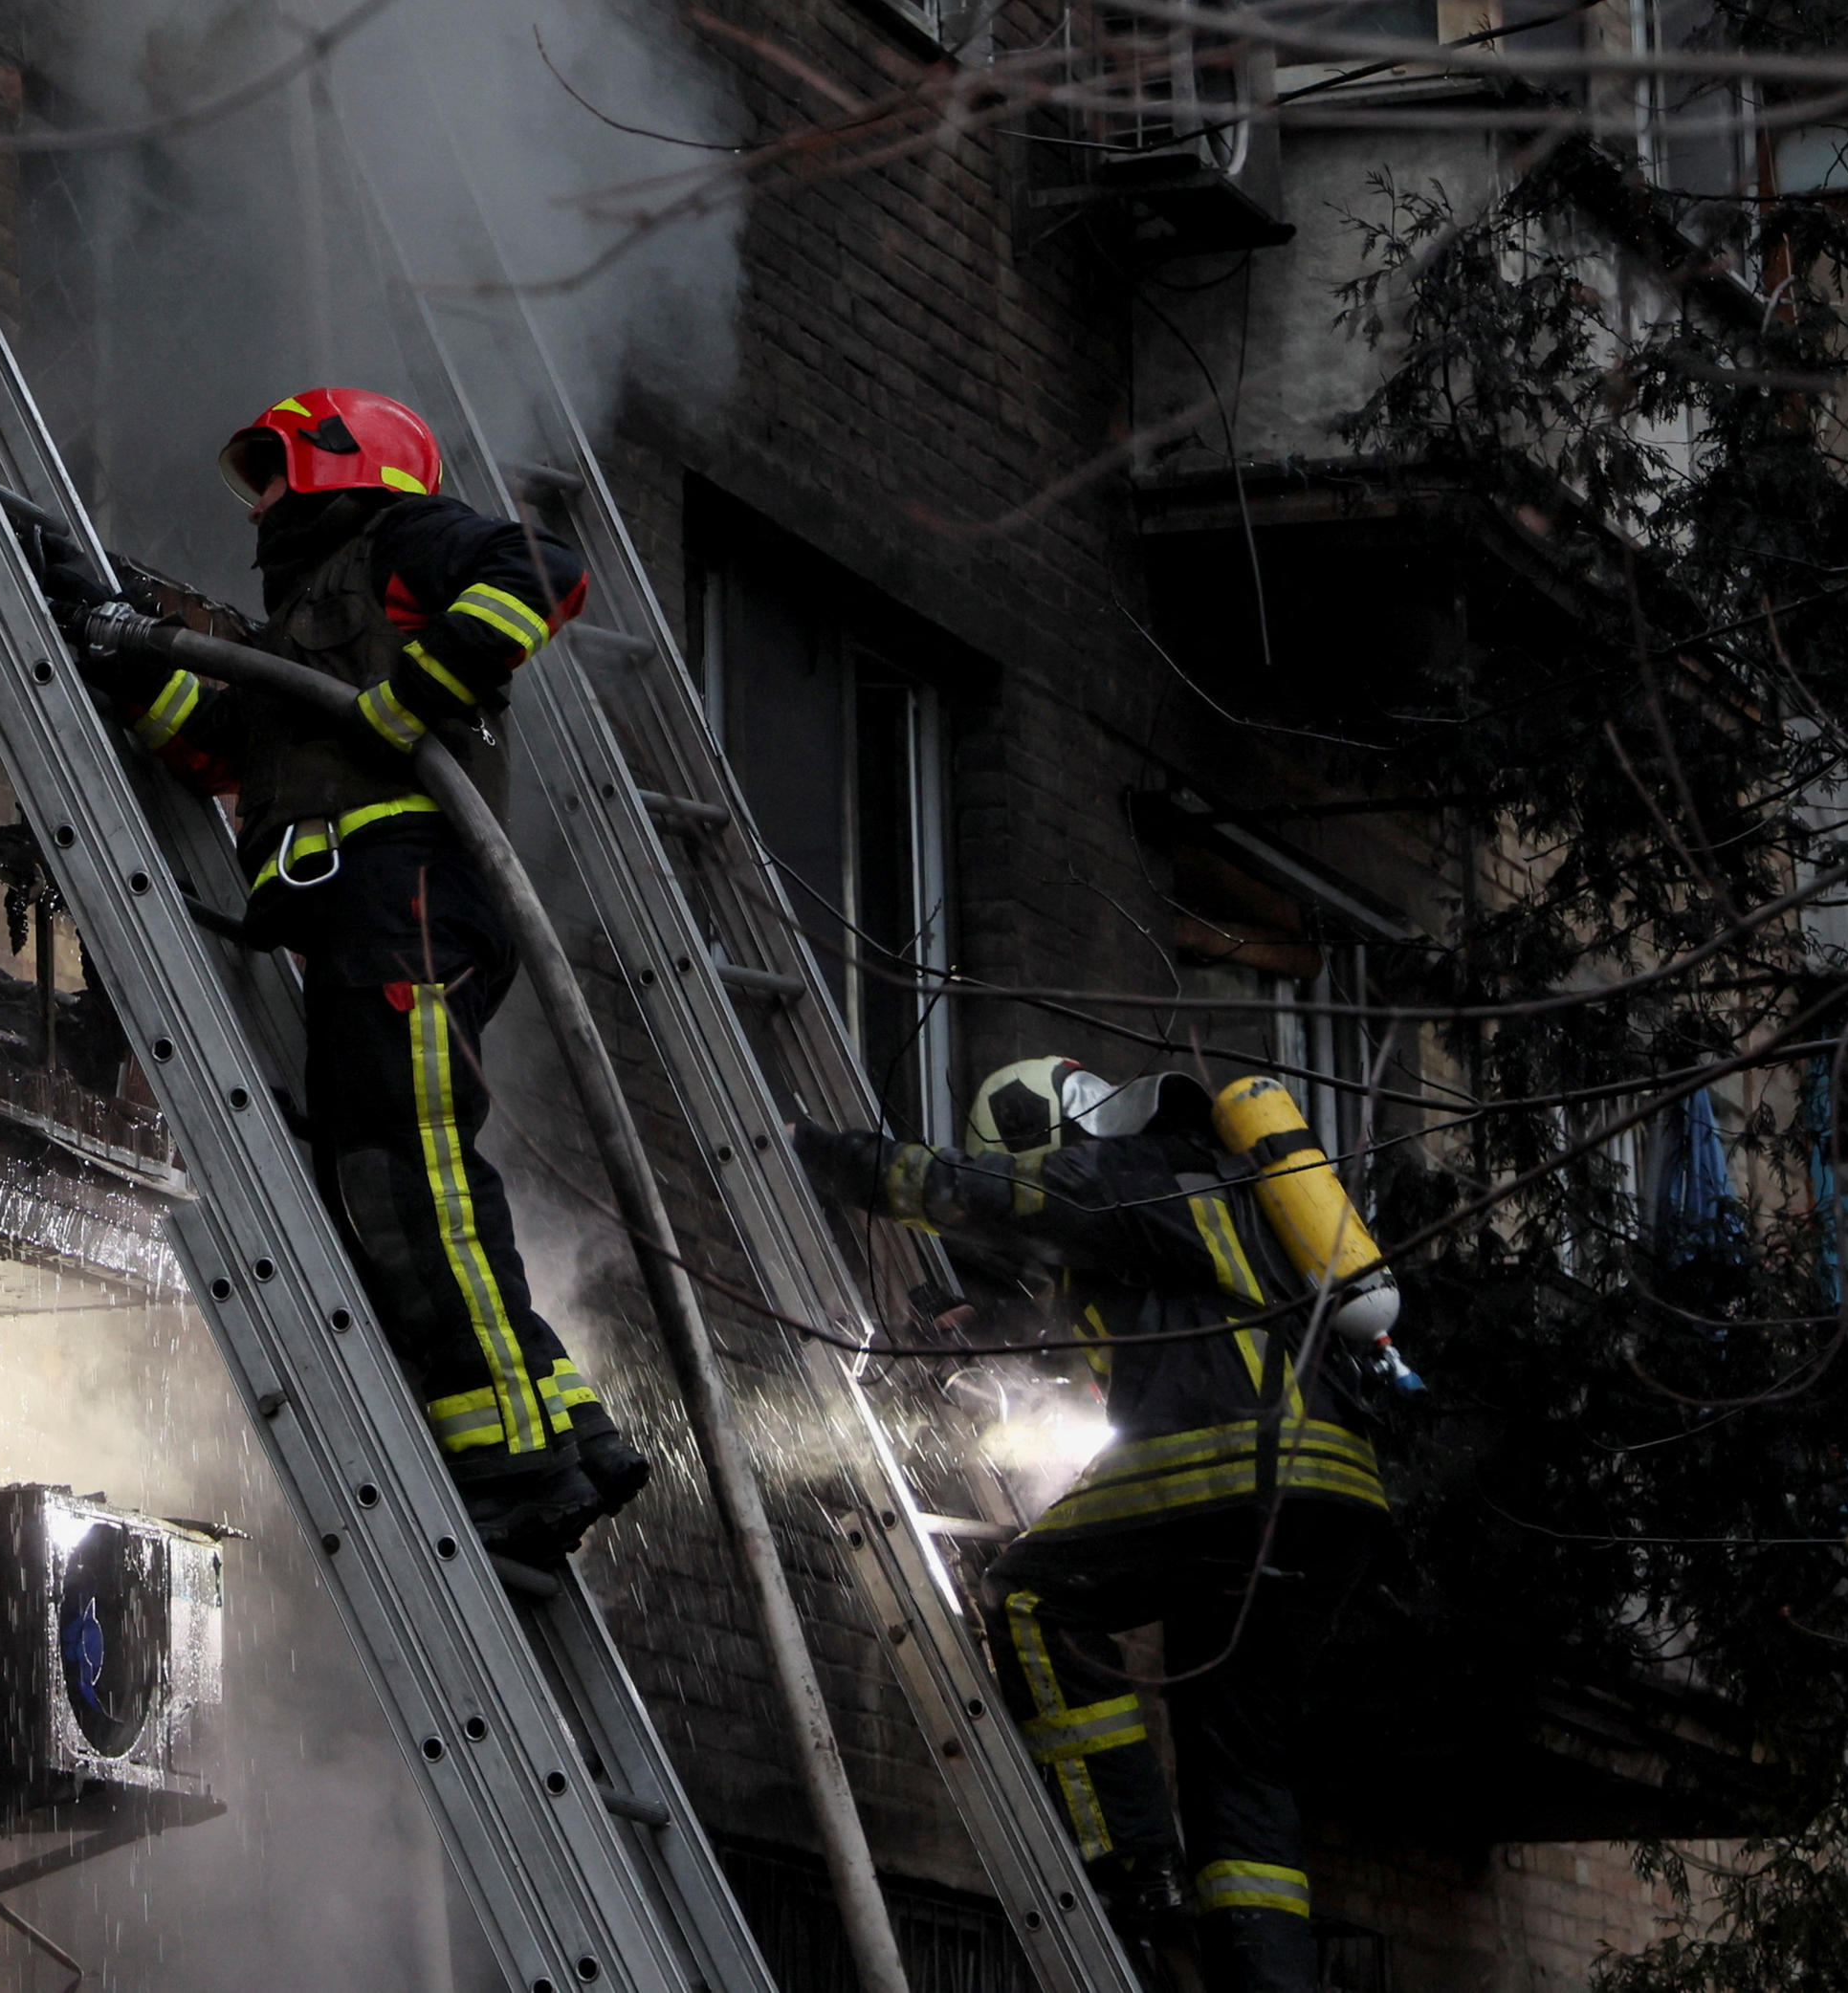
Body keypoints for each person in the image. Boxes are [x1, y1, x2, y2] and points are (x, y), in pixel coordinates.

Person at [99, 386, 651, 1561]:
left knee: (409, 1176)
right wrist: (118, 653)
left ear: (337, 464)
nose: (258, 508)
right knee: (389, 1176)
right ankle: (564, 1425)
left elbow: (545, 568)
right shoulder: (312, 616)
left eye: (275, 473)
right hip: (362, 912)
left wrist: (414, 693)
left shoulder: (399, 545)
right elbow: (225, 751)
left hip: (404, 893)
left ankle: (512, 1459)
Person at [795, 1062, 1399, 1993]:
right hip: (1333, 1499)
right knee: (1236, 1759)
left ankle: (1125, 1861)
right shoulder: (1220, 1192)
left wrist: (833, 1160)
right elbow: (1122, 1305)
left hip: (1231, 1468)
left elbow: (972, 1194)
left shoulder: (1113, 1174)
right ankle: (1264, 1978)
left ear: (1044, 1130)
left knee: (1029, 1591)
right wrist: (979, 1316)